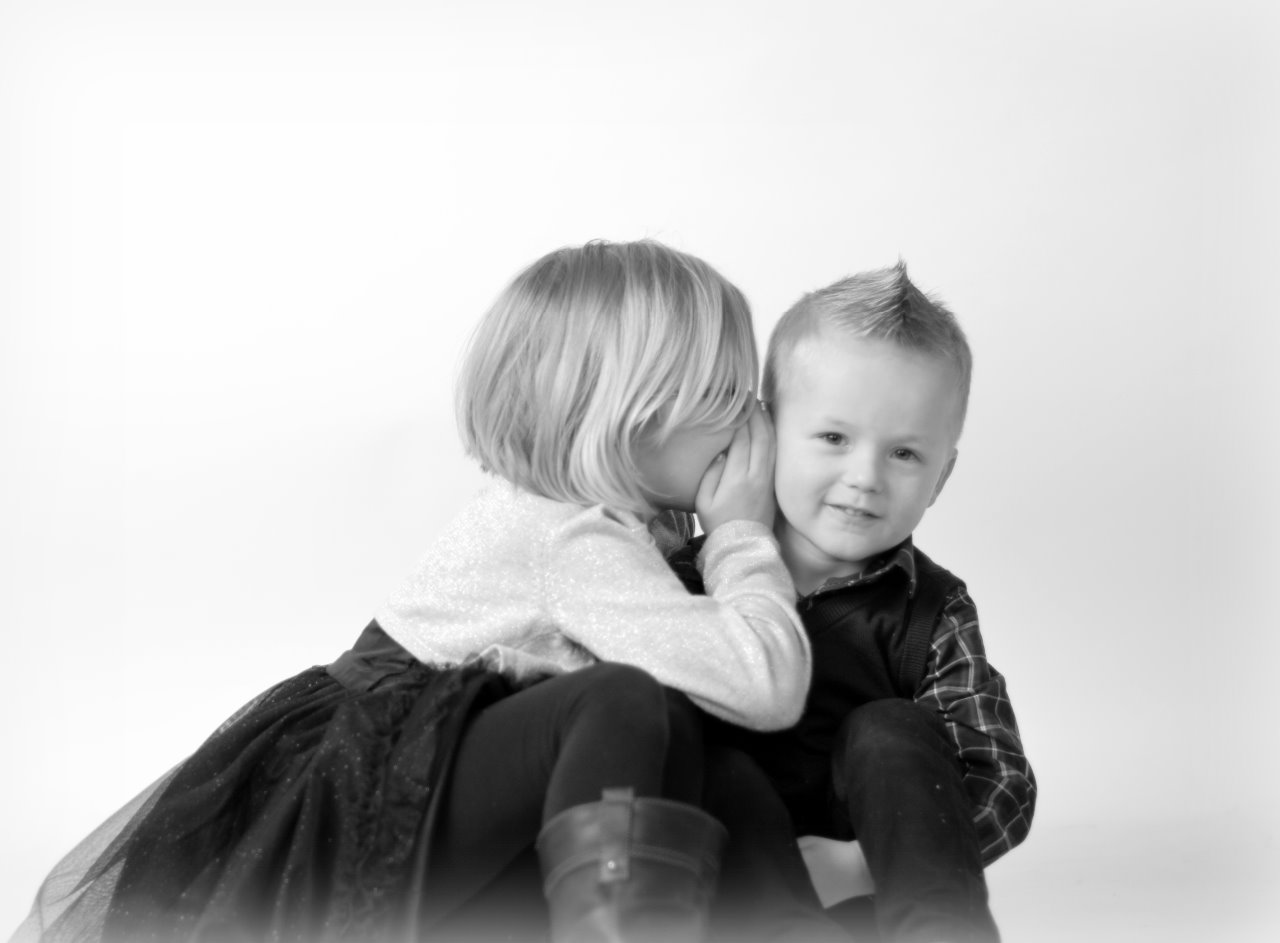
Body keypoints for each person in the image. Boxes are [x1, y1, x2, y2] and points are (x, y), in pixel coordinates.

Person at [11, 240, 813, 943]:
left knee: (699, 748)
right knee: (624, 701)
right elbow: (763, 682)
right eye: (724, 395)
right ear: (633, 416)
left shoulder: (593, 527)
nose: (750, 423)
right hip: (361, 802)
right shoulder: (572, 536)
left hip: (412, 796)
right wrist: (743, 534)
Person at [671, 262, 1037, 943]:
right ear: (765, 430)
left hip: (870, 895)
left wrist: (862, 866)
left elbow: (1001, 781)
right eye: (834, 438)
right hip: (728, 891)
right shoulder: (687, 577)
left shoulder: (933, 608)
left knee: (891, 727)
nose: (864, 477)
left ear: (941, 476)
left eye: (904, 454)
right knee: (709, 756)